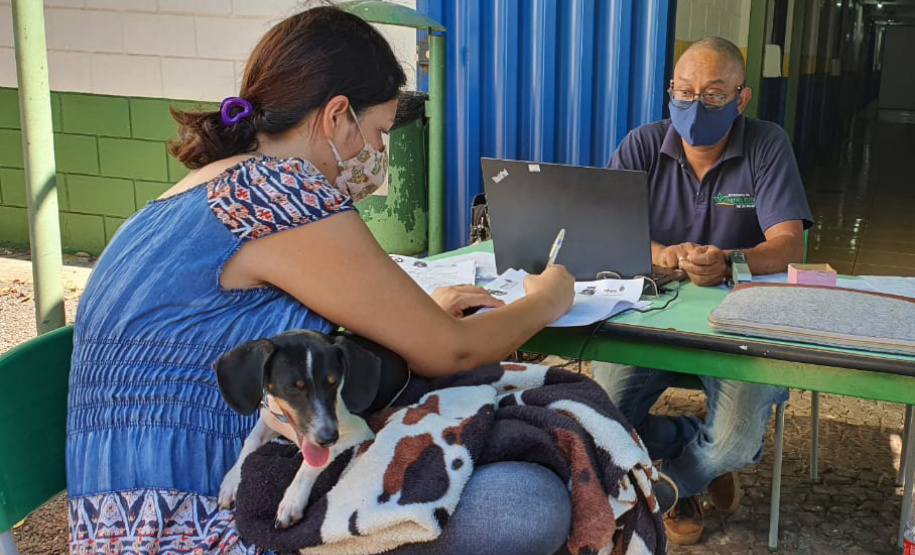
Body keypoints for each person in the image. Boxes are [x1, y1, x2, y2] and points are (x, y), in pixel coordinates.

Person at [66, 7, 577, 555]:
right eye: (378, 132)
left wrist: (423, 315)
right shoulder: (281, 192)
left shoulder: (188, 193)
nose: (376, 154)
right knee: (527, 502)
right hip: (202, 522)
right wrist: (547, 300)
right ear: (336, 115)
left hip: (115, 525)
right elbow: (451, 351)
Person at [591, 36, 813, 546]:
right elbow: (604, 226)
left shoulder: (766, 143)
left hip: (741, 320)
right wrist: (660, 252)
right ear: (670, 91)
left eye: (713, 94)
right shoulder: (644, 144)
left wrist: (731, 261)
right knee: (598, 421)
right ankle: (690, 444)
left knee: (735, 442)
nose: (696, 104)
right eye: (684, 91)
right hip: (650, 316)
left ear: (741, 98)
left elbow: (789, 245)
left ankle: (680, 481)